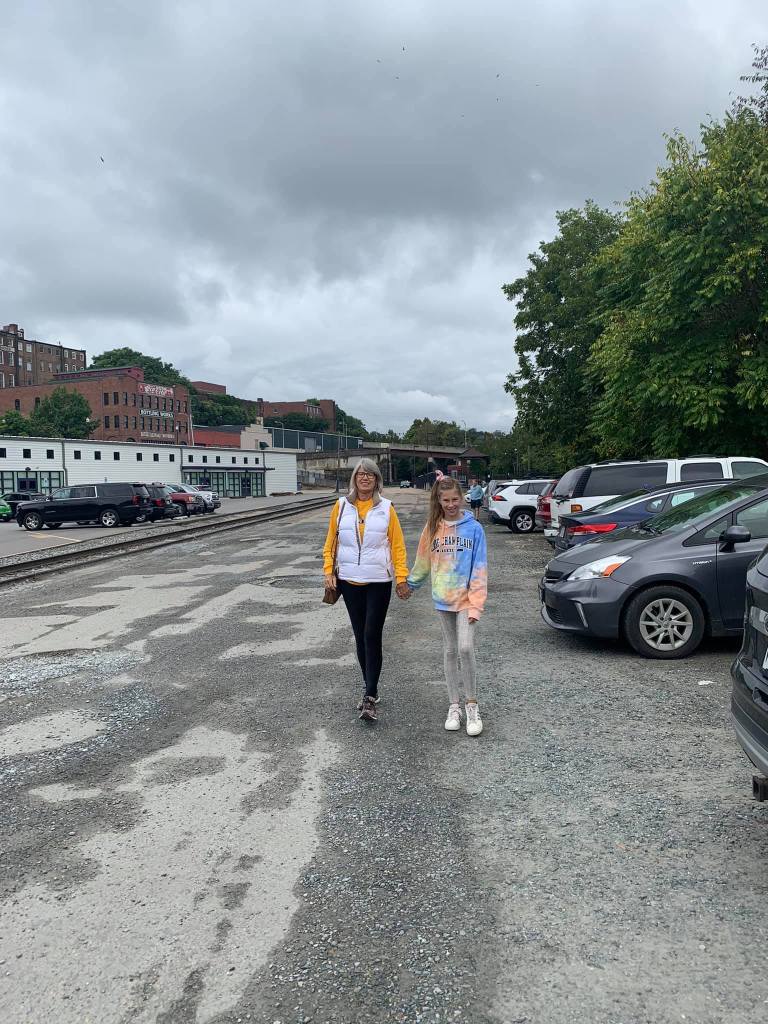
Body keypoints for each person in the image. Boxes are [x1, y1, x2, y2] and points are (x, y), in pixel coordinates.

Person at [323, 458, 410, 722]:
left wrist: (402, 577)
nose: (365, 478)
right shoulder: (340, 506)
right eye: (360, 474)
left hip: (378, 581)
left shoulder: (386, 508)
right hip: (349, 580)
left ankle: (369, 696)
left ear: (376, 480)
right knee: (360, 636)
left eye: (370, 474)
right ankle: (369, 685)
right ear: (354, 478)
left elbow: (397, 545)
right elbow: (331, 542)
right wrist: (328, 571)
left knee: (372, 634)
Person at [406, 476, 488, 736]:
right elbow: (422, 561)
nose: (451, 504)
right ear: (439, 501)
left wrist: (477, 604)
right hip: (443, 599)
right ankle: (454, 706)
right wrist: (410, 585)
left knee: (465, 647)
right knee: (450, 649)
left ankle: (472, 704)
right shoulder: (432, 528)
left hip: (467, 599)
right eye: (446, 500)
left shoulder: (474, 529)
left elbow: (480, 568)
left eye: (455, 499)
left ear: (461, 498)